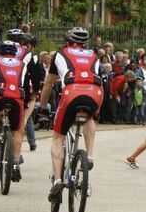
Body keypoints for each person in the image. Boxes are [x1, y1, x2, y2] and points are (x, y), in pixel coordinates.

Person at [38, 27, 103, 201]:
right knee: (90, 119)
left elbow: (48, 84)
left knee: (58, 137)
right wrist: (96, 110)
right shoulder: (94, 56)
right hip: (93, 93)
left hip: (71, 93)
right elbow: (101, 83)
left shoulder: (60, 55)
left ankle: (58, 180)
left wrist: (42, 107)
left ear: (67, 42)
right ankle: (88, 156)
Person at [0, 42, 33, 182]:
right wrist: (26, 102)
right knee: (17, 130)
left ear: (0, 52)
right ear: (14, 53)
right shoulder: (22, 64)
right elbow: (26, 86)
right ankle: (15, 163)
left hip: (0, 96)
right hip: (17, 98)